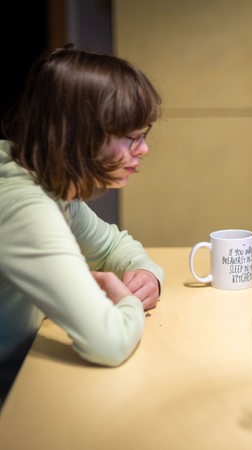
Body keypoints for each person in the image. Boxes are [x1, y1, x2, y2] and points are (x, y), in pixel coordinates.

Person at [0, 46, 164, 402]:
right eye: (130, 136)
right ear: (80, 135)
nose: (144, 149)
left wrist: (147, 276)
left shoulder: (48, 181)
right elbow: (109, 343)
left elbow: (112, 247)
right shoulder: (26, 207)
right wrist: (129, 304)